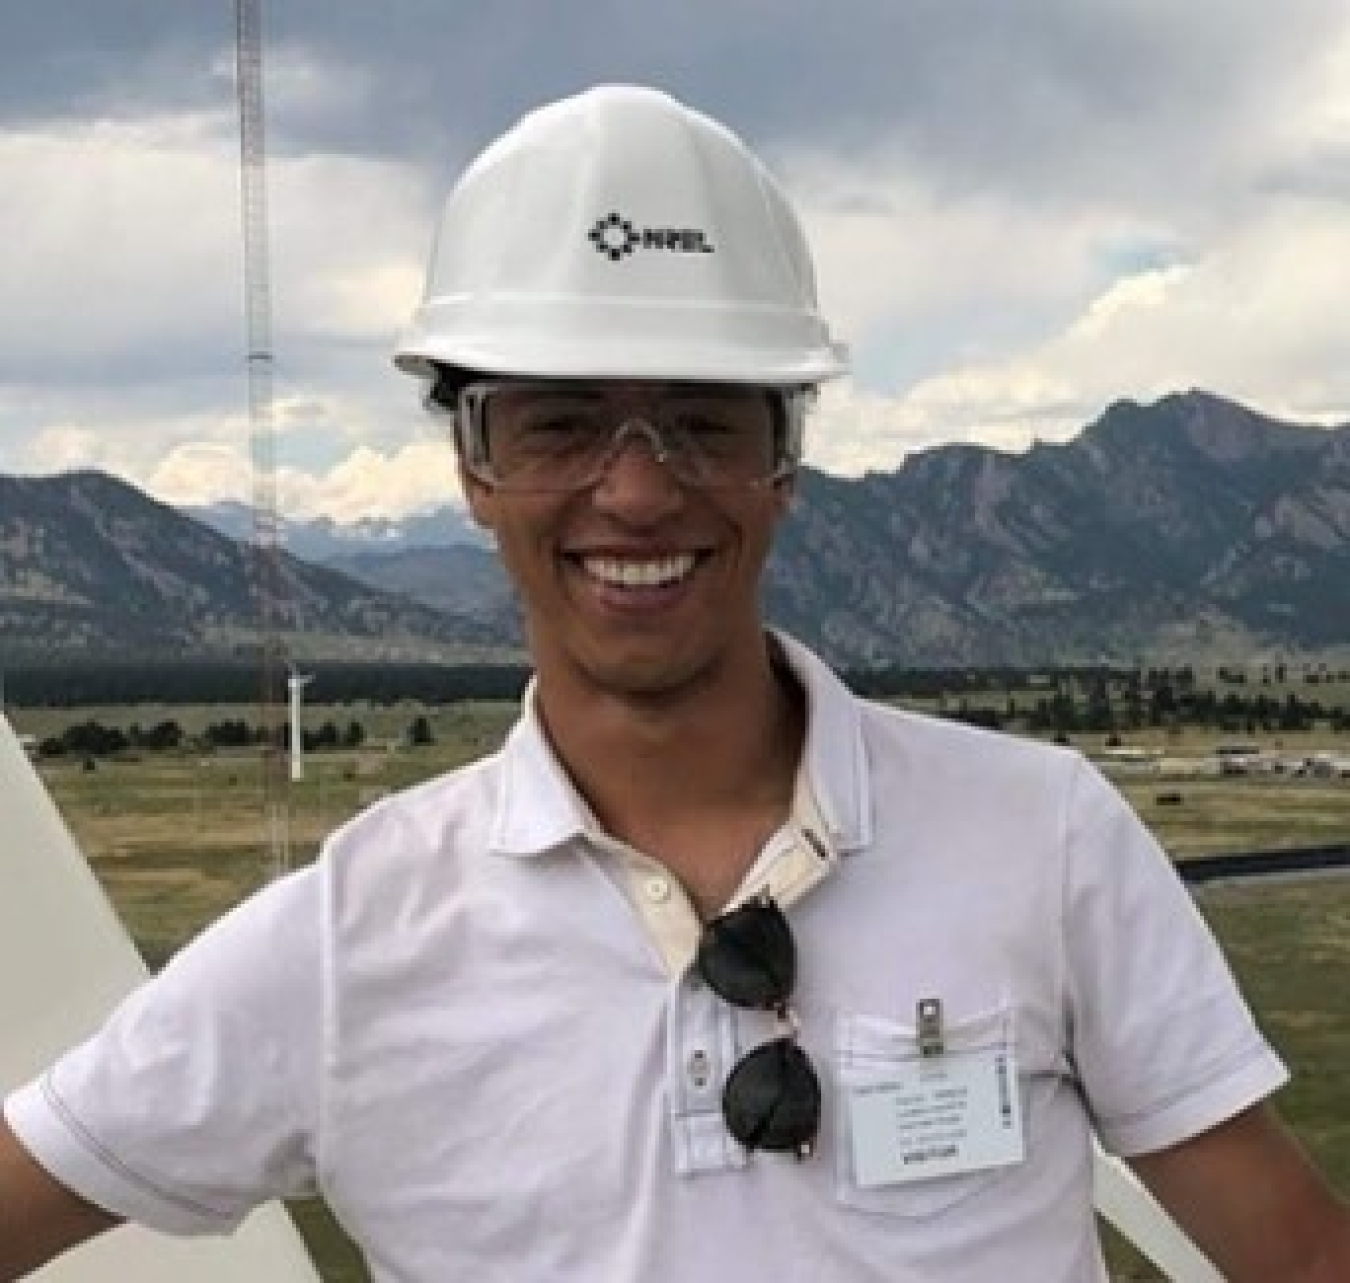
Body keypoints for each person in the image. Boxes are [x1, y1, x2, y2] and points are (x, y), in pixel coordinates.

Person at [2, 83, 1348, 1283]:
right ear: (473, 468)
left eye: (702, 419)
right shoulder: (347, 944)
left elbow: (1291, 1255)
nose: (636, 488)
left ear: (784, 460)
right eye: (558, 425)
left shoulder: (1044, 837)